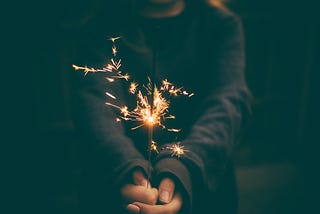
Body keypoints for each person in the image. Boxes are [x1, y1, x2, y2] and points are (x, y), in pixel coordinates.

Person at [71, 0, 251, 213]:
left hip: (203, 185)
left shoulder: (221, 25)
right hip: (115, 188)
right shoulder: (98, 28)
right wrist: (127, 168)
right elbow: (95, 108)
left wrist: (183, 166)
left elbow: (227, 104)